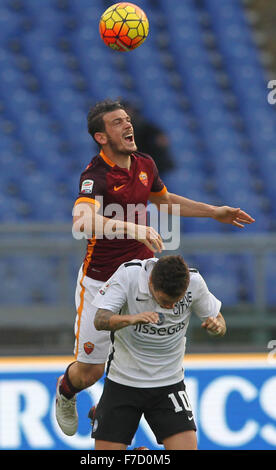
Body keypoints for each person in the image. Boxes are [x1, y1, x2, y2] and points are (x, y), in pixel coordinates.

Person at [55, 98, 254, 436]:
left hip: (140, 280)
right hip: (100, 282)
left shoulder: (145, 163)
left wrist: (213, 211)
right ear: (101, 137)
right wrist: (133, 228)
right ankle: (65, 391)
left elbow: (164, 200)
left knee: (146, 354)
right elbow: (82, 219)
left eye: (127, 119)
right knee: (90, 372)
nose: (127, 125)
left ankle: (113, 409)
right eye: (117, 122)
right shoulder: (95, 176)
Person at [91, 255, 226, 450]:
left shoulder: (194, 282)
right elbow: (100, 319)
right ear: (150, 282)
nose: (171, 307)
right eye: (164, 301)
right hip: (123, 381)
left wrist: (216, 327)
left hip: (169, 383)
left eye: (176, 301)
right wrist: (131, 319)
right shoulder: (129, 275)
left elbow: (221, 323)